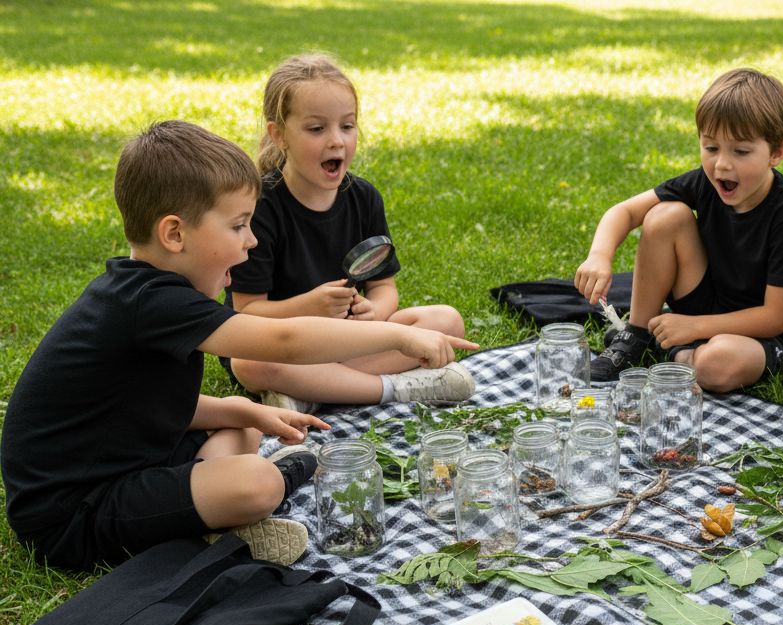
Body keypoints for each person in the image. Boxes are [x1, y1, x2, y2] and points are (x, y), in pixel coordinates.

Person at [0, 121, 477, 572]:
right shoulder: (152, 301)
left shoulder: (146, 293)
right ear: (174, 233)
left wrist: (248, 413)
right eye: (237, 226)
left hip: (129, 460)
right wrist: (399, 334)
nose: (250, 241)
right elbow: (284, 339)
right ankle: (243, 508)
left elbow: (143, 408)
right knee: (259, 481)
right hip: (72, 513)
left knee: (244, 433)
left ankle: (213, 520)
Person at [225, 53, 472, 413]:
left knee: (446, 321)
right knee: (247, 363)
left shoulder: (364, 197)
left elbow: (384, 287)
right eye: (316, 129)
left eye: (347, 126)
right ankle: (393, 388)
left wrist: (374, 311)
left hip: (347, 340)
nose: (336, 141)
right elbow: (246, 313)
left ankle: (310, 392)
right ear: (278, 135)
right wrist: (309, 306)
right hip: (283, 346)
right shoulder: (261, 207)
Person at [573, 67, 783, 391]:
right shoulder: (704, 182)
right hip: (706, 305)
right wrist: (599, 256)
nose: (722, 164)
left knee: (716, 365)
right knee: (665, 216)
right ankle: (637, 334)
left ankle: (677, 352)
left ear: (777, 152)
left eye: (741, 151)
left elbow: (775, 317)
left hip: (762, 334)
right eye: (711, 147)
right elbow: (624, 211)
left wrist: (692, 326)